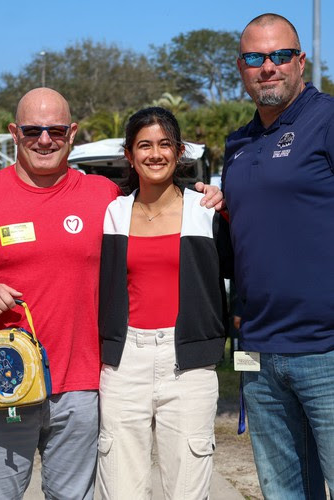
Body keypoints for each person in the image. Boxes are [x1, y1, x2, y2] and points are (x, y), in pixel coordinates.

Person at [0, 88, 224, 499]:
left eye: (55, 130)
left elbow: (158, 203)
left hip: (83, 388)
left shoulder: (104, 198)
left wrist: (209, 194)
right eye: (33, 130)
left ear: (72, 133)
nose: (44, 139)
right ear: (14, 132)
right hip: (5, 380)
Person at [222, 13, 334, 499]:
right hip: (260, 354)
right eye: (254, 58)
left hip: (326, 350)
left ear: (300, 60)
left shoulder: (326, 120)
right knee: (284, 493)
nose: (268, 67)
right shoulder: (238, 144)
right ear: (241, 67)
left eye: (280, 55)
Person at [97, 107, 232, 499]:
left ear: (179, 151)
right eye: (144, 145)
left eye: (164, 144)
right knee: (120, 488)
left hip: (188, 366)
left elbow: (244, 273)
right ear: (129, 155)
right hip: (124, 366)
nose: (155, 154)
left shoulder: (206, 212)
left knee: (187, 488)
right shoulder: (113, 214)